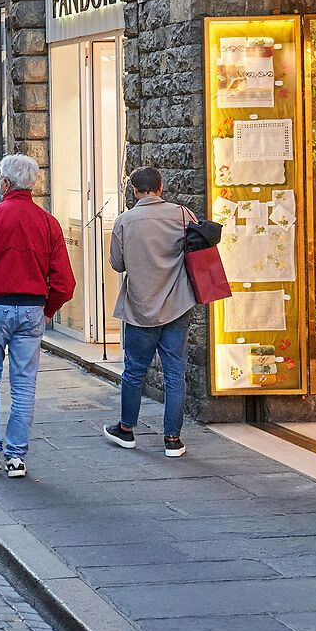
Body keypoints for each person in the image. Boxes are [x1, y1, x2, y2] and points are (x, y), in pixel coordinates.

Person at [0, 152, 75, 478]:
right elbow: (65, 282)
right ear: (33, 184)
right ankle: (16, 457)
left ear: (4, 183)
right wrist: (47, 310)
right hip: (31, 307)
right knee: (24, 384)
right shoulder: (48, 223)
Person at [105, 167, 200, 458]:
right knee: (175, 374)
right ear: (160, 187)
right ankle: (173, 439)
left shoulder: (124, 221)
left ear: (134, 190)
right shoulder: (183, 215)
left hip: (140, 308)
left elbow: (117, 264)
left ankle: (127, 430)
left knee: (134, 371)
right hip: (177, 305)